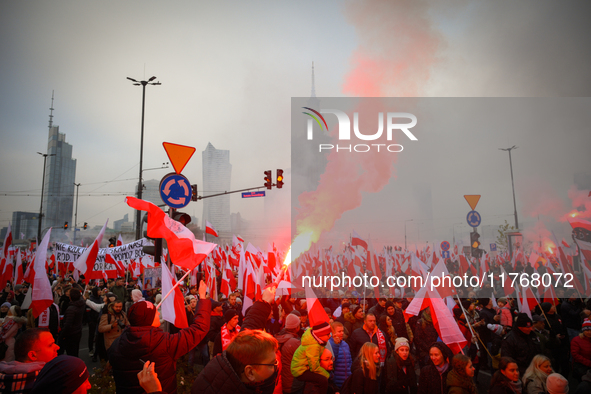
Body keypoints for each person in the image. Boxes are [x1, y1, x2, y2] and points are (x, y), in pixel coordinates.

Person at [108, 280, 211, 394]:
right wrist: (202, 298)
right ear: (148, 319)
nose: (158, 313)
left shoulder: (116, 345)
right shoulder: (164, 343)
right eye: (154, 312)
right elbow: (199, 329)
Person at [192, 286, 280, 394]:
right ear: (250, 372)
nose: (276, 368)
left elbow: (249, 331)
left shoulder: (233, 363)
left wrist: (264, 302)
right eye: (273, 364)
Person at [0, 328, 59, 393]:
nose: (57, 347)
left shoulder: (4, 376)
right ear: (32, 355)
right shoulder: (49, 380)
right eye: (50, 345)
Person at [291, 321, 332, 393]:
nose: (330, 336)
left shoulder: (316, 341)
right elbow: (314, 367)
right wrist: (327, 375)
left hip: (305, 368)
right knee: (323, 380)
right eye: (327, 334)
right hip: (300, 371)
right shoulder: (313, 346)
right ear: (320, 335)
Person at [275, 313, 303, 394]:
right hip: (293, 382)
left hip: (282, 381)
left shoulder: (280, 338)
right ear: (297, 327)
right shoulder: (295, 343)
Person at [57, 288, 85, 357]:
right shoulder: (81, 303)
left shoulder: (71, 309)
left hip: (71, 334)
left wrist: (62, 335)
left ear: (70, 297)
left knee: (71, 352)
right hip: (78, 331)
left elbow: (68, 325)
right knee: (75, 351)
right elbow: (81, 296)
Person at [328, 321, 351, 390]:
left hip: (347, 381)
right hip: (336, 381)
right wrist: (335, 344)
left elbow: (350, 361)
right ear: (333, 332)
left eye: (342, 331)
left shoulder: (345, 344)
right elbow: (332, 360)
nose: (342, 333)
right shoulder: (329, 344)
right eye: (339, 331)